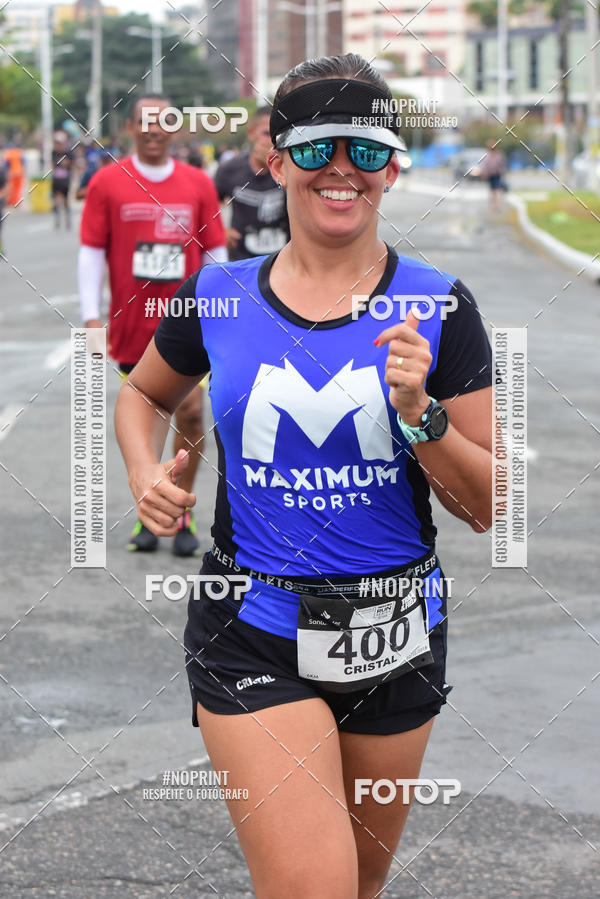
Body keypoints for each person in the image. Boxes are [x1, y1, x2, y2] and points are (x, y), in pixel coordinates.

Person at [115, 54, 493, 897]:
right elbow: (142, 395)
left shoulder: (442, 307)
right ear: (275, 158)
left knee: (355, 886)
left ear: (393, 166)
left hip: (397, 633)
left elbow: (485, 504)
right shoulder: (215, 295)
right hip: (250, 625)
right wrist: (147, 472)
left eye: (364, 147)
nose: (341, 170)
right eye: (317, 145)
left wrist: (422, 412)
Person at [80, 92, 227, 555]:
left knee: (190, 414)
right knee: (144, 427)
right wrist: (90, 318)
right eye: (145, 122)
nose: (153, 130)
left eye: (163, 121)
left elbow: (215, 252)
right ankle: (150, 509)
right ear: (130, 128)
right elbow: (91, 252)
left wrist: (223, 312)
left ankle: (180, 512)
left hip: (188, 328)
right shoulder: (107, 182)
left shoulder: (198, 184)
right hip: (132, 327)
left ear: (175, 129)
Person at [215, 106, 290, 260]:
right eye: (266, 134)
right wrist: (220, 231)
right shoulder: (229, 169)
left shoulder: (292, 168)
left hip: (284, 259)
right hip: (242, 260)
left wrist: (277, 168)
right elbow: (208, 203)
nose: (272, 141)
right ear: (252, 133)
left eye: (279, 135)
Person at [51, 131, 74, 229]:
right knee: (56, 198)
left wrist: (67, 163)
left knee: (65, 199)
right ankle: (57, 218)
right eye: (56, 143)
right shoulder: (53, 152)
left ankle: (67, 218)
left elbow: (72, 164)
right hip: (56, 179)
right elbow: (53, 165)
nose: (58, 145)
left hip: (65, 179)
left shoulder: (68, 152)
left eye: (59, 143)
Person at [481, 138, 507, 212]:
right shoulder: (499, 155)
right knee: (496, 190)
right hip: (496, 174)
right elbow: (503, 165)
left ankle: (495, 205)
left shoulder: (488, 156)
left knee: (495, 190)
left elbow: (486, 166)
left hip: (493, 175)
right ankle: (496, 205)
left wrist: (484, 174)